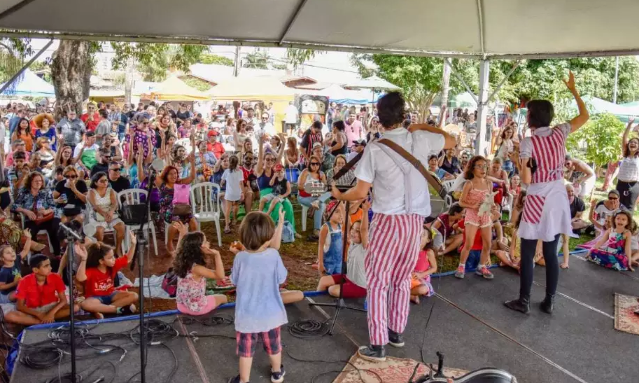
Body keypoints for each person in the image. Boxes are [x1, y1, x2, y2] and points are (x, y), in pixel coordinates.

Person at [331, 91, 455, 361]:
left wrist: (340, 195)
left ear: (379, 117)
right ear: (403, 114)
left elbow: (360, 192)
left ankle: (378, 344)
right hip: (414, 223)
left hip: (388, 221)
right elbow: (451, 140)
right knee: (401, 278)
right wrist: (421, 125)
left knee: (377, 281)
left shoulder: (376, 148)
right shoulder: (420, 138)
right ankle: (396, 332)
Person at [505, 71, 589, 315]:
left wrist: (519, 161)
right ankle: (550, 301)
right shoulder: (560, 132)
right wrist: (573, 90)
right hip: (557, 196)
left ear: (531, 117)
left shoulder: (529, 143)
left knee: (529, 250)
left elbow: (527, 179)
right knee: (551, 251)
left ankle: (524, 300)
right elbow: (584, 115)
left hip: (538, 197)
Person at [228, 211, 287, 383]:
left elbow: (234, 280)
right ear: (268, 238)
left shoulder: (240, 257)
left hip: (247, 316)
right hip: (271, 314)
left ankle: (244, 380)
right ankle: (277, 372)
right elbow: (282, 278)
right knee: (274, 347)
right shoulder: (274, 256)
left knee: (246, 351)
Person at [316, 200, 370, 299]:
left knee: (332, 289)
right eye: (353, 230)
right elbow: (348, 222)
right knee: (323, 281)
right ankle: (317, 302)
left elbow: (364, 230)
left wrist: (365, 211)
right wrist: (341, 198)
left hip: (359, 285)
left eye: (357, 231)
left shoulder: (365, 246)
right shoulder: (352, 241)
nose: (353, 232)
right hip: (348, 278)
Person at [4, 254, 79, 325]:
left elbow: (63, 300)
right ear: (36, 270)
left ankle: (43, 320)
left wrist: (51, 313)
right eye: (46, 266)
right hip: (32, 310)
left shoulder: (56, 277)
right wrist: (39, 314)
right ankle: (41, 321)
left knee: (75, 307)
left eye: (49, 265)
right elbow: (19, 306)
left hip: (51, 307)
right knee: (9, 316)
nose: (51, 268)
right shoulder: (24, 281)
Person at [76, 235, 139, 319]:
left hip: (111, 294)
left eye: (113, 256)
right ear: (101, 261)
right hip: (95, 298)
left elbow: (128, 258)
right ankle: (116, 310)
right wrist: (84, 259)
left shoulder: (113, 265)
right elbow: (80, 278)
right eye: (110, 258)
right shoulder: (92, 271)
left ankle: (103, 310)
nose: (114, 259)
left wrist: (133, 244)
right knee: (85, 304)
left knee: (134, 296)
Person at [455, 156, 496, 280]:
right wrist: (472, 205)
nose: (483, 168)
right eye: (479, 166)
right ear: (473, 169)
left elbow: (490, 199)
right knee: (469, 243)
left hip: (485, 214)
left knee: (488, 243)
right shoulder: (469, 183)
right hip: (472, 214)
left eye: (484, 166)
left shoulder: (489, 183)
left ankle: (482, 266)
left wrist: (492, 206)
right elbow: (461, 202)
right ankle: (461, 266)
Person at [173, 228, 228, 316]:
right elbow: (220, 275)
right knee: (223, 298)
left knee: (208, 296)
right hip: (197, 308)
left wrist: (182, 234)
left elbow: (178, 249)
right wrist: (217, 254)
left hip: (181, 305)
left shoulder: (181, 261)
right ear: (198, 248)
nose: (208, 243)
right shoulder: (197, 268)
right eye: (205, 241)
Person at [12, 172, 62, 257]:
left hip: (45, 219)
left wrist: (46, 211)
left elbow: (53, 206)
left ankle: (57, 253)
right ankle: (37, 256)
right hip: (32, 219)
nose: (39, 183)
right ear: (30, 182)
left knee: (55, 225)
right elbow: (14, 206)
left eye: (40, 181)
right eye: (36, 181)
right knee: (30, 232)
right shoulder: (24, 192)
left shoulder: (46, 191)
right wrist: (26, 211)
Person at [156, 157, 197, 254]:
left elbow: (192, 177)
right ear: (166, 175)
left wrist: (192, 163)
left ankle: (192, 243)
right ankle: (169, 243)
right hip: (167, 210)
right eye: (171, 174)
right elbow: (154, 174)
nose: (173, 176)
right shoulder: (162, 184)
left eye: (175, 173)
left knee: (192, 221)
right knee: (176, 220)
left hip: (181, 208)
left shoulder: (180, 183)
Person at [86, 172, 126, 256]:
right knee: (99, 231)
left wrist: (110, 213)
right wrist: (104, 214)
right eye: (102, 181)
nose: (105, 183)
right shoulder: (91, 192)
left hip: (110, 213)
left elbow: (114, 204)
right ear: (96, 182)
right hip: (97, 215)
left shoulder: (110, 190)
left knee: (121, 226)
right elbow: (95, 206)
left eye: (106, 180)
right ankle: (101, 251)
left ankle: (117, 249)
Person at [298, 155, 328, 238]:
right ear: (309, 164)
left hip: (316, 197)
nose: (315, 166)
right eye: (313, 164)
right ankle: (317, 229)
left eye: (317, 164)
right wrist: (312, 189)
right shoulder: (305, 172)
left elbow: (325, 188)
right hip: (304, 196)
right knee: (320, 204)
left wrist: (321, 188)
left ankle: (317, 203)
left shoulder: (321, 174)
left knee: (329, 193)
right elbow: (299, 187)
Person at [0, 233, 31, 303]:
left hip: (18, 287)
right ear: (2, 258)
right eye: (8, 253)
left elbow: (25, 250)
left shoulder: (16, 259)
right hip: (7, 295)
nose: (12, 253)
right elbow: (1, 287)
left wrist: (29, 238)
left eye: (12, 251)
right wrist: (14, 283)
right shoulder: (4, 271)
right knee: (21, 292)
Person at [616, 118, 639, 211]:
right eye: (631, 142)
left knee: (629, 208)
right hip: (621, 184)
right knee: (618, 207)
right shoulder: (625, 155)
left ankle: (628, 225)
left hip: (633, 185)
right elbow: (624, 137)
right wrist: (629, 125)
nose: (632, 143)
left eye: (635, 143)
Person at [410, 228, 438, 304]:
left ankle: (407, 294)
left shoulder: (428, 252)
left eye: (422, 235)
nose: (419, 237)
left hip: (420, 279)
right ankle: (410, 295)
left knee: (423, 289)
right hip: (407, 277)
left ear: (428, 240)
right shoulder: (409, 249)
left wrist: (421, 274)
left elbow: (434, 268)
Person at [317, 201, 344, 275]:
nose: (340, 215)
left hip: (339, 263)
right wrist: (320, 263)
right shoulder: (325, 228)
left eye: (342, 212)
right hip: (328, 264)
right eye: (337, 212)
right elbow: (321, 246)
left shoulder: (340, 226)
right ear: (329, 213)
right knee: (326, 282)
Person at [222, 155, 245, 234]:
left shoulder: (226, 171)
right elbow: (241, 183)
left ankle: (226, 226)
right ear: (237, 163)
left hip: (229, 193)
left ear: (229, 162)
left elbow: (222, 182)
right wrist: (242, 192)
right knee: (235, 207)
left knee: (227, 210)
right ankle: (234, 219)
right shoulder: (240, 171)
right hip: (237, 193)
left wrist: (221, 185)